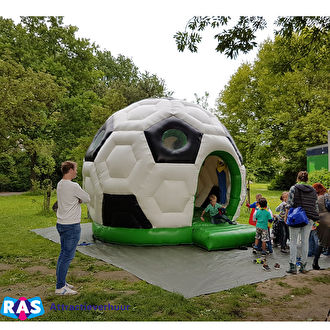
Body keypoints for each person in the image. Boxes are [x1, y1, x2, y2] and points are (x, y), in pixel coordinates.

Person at [55, 161, 90, 295]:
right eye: (75, 169)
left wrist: (77, 199)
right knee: (66, 257)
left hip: (62, 224)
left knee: (63, 255)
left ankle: (61, 283)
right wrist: (79, 199)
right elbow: (87, 198)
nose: (76, 171)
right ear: (70, 170)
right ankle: (60, 288)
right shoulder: (73, 186)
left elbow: (71, 199)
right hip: (71, 226)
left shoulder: (60, 184)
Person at [285, 171, 319, 274]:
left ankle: (293, 266)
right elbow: (315, 206)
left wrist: (286, 216)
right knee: (305, 242)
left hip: (296, 217)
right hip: (309, 218)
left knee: (293, 242)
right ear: (307, 179)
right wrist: (315, 220)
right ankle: (303, 266)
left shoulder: (294, 188)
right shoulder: (313, 190)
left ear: (298, 178)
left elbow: (289, 204)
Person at [312, 183, 330, 270]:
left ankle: (315, 262)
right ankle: (315, 263)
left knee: (321, 242)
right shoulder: (326, 196)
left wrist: (315, 224)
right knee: (323, 242)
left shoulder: (315, 199)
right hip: (328, 219)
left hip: (319, 221)